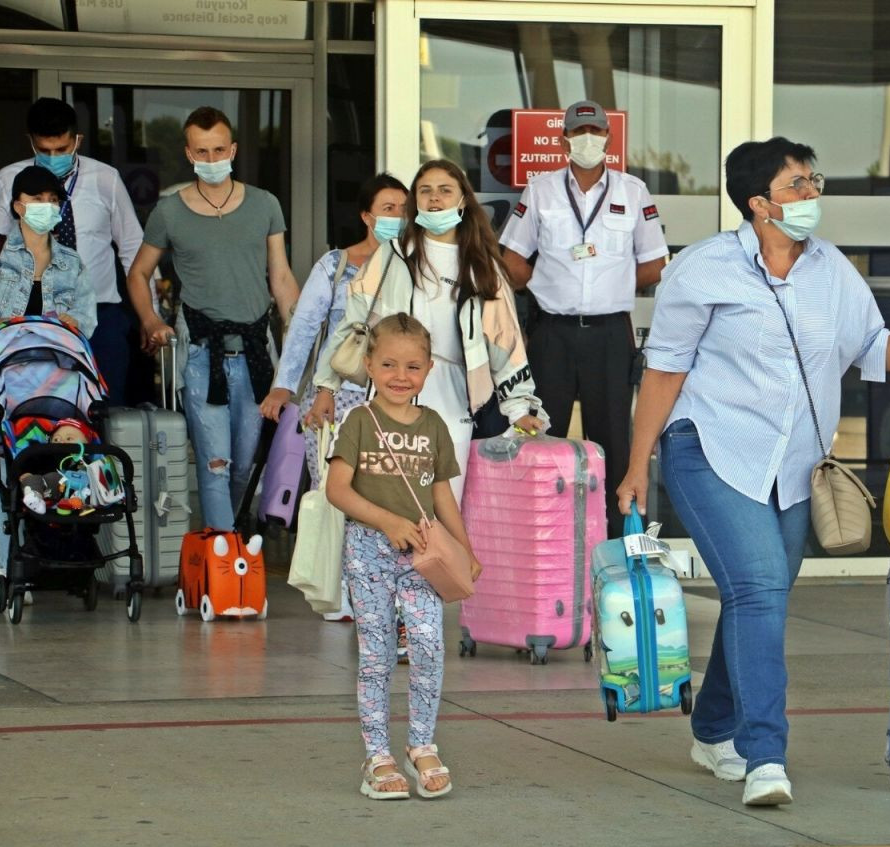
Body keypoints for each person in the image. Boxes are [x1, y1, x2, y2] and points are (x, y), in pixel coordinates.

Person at [614, 137, 890, 807]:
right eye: (799, 184)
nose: (813, 194)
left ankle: (711, 727)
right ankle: (765, 754)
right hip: (709, 449)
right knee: (759, 586)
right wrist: (638, 463)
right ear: (759, 203)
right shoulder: (701, 271)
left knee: (759, 595)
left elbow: (871, 345)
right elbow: (665, 370)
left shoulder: (831, 271)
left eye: (815, 181)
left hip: (792, 467)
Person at [313, 158, 546, 507]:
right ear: (415, 202)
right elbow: (353, 323)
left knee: (444, 501)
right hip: (393, 386)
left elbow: (505, 343)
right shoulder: (391, 255)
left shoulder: (483, 266)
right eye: (425, 191)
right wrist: (326, 388)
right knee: (386, 498)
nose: (434, 198)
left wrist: (520, 407)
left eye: (444, 190)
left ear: (462, 201)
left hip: (453, 394)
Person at [325, 312, 481, 800]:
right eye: (389, 364)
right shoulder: (359, 421)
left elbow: (441, 494)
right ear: (369, 365)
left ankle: (421, 745)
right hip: (369, 552)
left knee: (430, 647)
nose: (400, 376)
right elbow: (337, 490)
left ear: (429, 369)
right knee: (376, 656)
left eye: (412, 367)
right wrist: (387, 522)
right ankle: (378, 757)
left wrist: (465, 548)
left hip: (421, 554)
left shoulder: (433, 426)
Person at [499, 99, 668, 537]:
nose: (587, 139)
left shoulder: (633, 192)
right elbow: (511, 260)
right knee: (540, 434)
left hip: (610, 334)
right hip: (552, 333)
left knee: (613, 441)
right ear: (564, 140)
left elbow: (655, 264)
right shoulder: (540, 191)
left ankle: (615, 539)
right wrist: (552, 282)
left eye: (595, 131)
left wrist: (607, 285)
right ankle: (539, 534)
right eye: (579, 131)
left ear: (609, 139)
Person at [126, 105, 299, 531]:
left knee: (243, 463)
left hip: (257, 350)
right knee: (216, 462)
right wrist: (150, 320)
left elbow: (280, 276)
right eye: (201, 152)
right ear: (188, 154)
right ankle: (224, 557)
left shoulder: (265, 205)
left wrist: (298, 339)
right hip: (202, 352)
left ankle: (225, 540)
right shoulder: (169, 211)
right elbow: (139, 272)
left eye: (218, 150)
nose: (211, 159)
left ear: (233, 149)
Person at [259, 173, 409, 622]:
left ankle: (377, 589)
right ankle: (336, 588)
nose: (397, 217)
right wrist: (285, 386)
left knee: (386, 496)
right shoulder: (337, 265)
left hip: (391, 400)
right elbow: (304, 327)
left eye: (403, 209)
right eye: (387, 209)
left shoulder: (412, 265)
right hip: (336, 396)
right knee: (335, 492)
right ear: (366, 216)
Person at [0, 165, 98, 588]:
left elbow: (87, 319)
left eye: (53, 201)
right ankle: (9, 555)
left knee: (50, 456)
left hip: (50, 378)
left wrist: (65, 323)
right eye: (37, 201)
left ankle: (43, 546)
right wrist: (2, 326)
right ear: (18, 206)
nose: (46, 208)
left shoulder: (70, 260)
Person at [0, 97, 147, 407]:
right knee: (37, 411)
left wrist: (149, 314)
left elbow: (133, 248)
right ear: (31, 142)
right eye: (44, 150)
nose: (53, 157)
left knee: (104, 409)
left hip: (100, 315)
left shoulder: (105, 179)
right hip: (30, 318)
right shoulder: (6, 181)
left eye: (62, 150)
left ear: (77, 139)